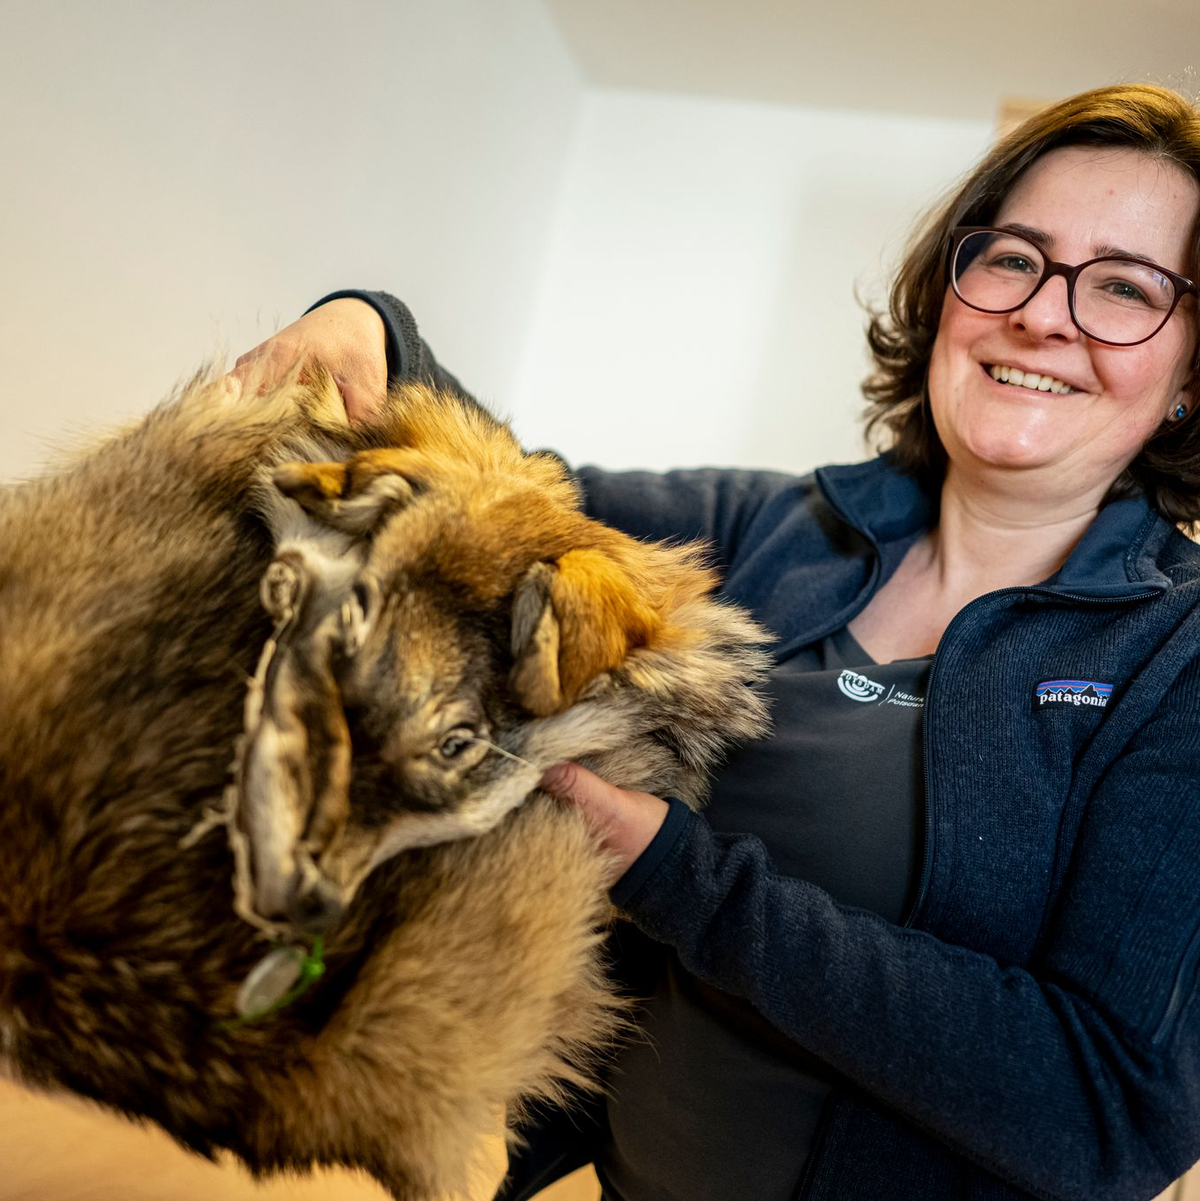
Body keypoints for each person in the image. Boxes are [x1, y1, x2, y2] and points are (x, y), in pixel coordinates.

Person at [233, 84, 1200, 1201]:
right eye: (1012, 258)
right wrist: (374, 327)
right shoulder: (783, 531)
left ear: (1185, 381)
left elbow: (1106, 1108)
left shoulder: (1173, 653)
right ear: (951, 291)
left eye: (1125, 285)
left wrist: (678, 877)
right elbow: (510, 501)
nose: (1041, 313)